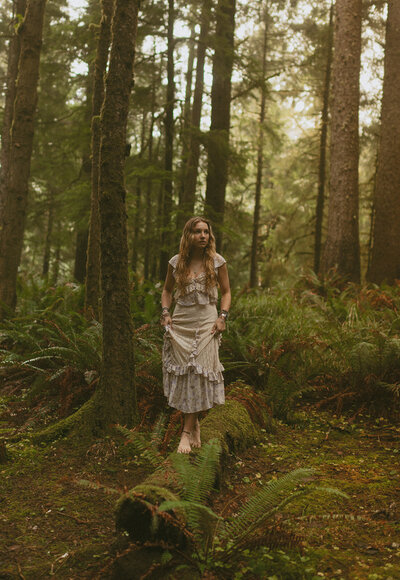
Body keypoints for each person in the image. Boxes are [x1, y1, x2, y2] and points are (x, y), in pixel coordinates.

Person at [160, 217, 231, 454]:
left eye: (206, 232)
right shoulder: (176, 262)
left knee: (199, 372)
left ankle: (186, 433)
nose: (203, 236)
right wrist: (165, 313)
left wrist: (222, 317)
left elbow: (227, 292)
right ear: (188, 235)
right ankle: (195, 422)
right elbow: (167, 291)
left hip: (207, 324)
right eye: (197, 232)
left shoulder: (217, 262)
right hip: (181, 323)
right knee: (186, 375)